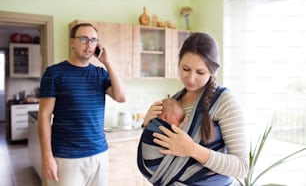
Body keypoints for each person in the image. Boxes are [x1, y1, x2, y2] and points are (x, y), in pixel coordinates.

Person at [137, 32, 249, 186]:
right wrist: (148, 125)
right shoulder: (174, 101)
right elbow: (158, 151)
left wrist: (192, 149)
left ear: (212, 70)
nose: (190, 78)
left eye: (200, 72)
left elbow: (242, 167)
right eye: (185, 69)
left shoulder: (224, 102)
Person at [38, 23, 126, 186]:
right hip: (67, 157)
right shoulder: (54, 73)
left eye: (93, 40)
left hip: (99, 154)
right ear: (72, 41)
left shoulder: (100, 74)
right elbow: (44, 116)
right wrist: (46, 157)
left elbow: (121, 97)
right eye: (84, 39)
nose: (89, 45)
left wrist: (108, 63)